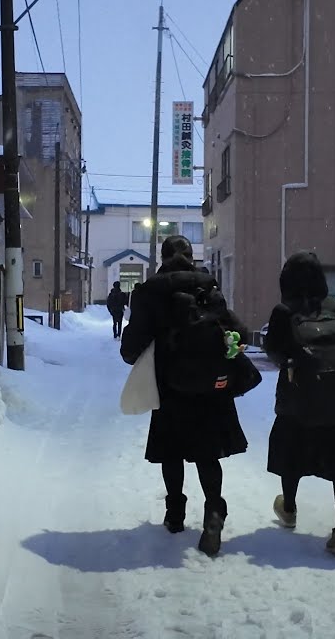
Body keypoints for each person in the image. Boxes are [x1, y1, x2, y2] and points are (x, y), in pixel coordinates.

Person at [120, 235, 252, 557]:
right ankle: (214, 510)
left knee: (172, 451)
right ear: (191, 257)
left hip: (171, 385)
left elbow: (130, 349)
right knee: (208, 453)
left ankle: (175, 514)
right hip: (211, 387)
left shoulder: (150, 291)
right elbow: (237, 331)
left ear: (163, 258)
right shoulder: (209, 286)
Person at [261, 251, 335, 559]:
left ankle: (288, 508)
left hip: (299, 401)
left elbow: (274, 351)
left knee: (292, 456)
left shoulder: (284, 310)